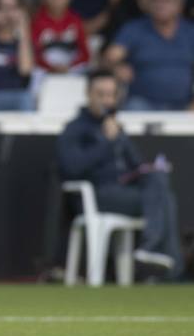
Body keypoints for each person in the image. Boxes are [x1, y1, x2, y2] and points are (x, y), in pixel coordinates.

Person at [57, 71, 184, 280]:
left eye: (111, 95)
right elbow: (70, 168)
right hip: (97, 194)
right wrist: (106, 142)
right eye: (101, 94)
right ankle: (162, 259)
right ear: (88, 94)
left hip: (126, 190)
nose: (107, 100)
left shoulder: (115, 128)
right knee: (163, 197)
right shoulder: (75, 129)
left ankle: (154, 253)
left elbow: (136, 164)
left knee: (158, 182)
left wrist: (150, 169)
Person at [102, 0, 194, 111]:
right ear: (149, 3)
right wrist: (116, 67)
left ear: (179, 4)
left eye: (166, 0)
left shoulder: (190, 32)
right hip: (141, 103)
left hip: (184, 104)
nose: (160, 5)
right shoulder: (133, 29)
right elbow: (107, 60)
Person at [31, 0, 91, 75]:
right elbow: (33, 53)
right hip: (44, 69)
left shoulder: (75, 20)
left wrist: (70, 66)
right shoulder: (36, 21)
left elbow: (85, 53)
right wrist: (50, 67)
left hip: (71, 67)